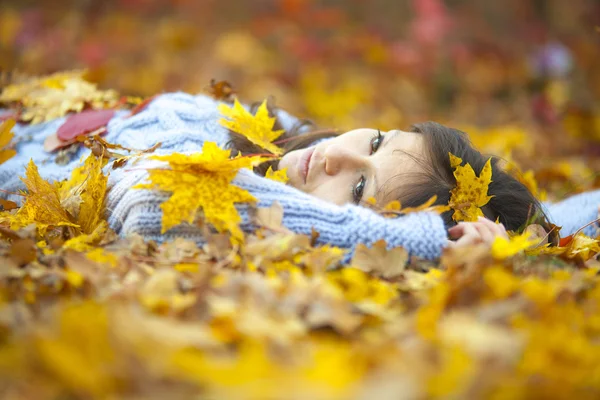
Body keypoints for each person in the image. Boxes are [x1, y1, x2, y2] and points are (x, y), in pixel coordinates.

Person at [0, 92, 598, 261]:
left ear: (349, 223)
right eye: (378, 141)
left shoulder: (238, 196)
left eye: (361, 189)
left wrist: (435, 245)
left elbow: (159, 199)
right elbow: (561, 214)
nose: (336, 155)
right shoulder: (275, 133)